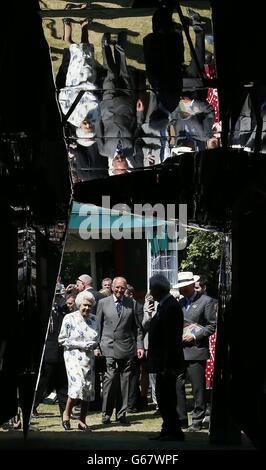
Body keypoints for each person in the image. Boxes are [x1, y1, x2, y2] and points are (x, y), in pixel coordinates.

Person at [96, 277, 144, 425]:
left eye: (122, 288)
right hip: (108, 347)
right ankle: (106, 414)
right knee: (109, 381)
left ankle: (122, 414)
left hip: (126, 348)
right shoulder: (103, 303)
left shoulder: (132, 304)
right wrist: (96, 346)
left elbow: (138, 328)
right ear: (112, 287)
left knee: (125, 382)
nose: (119, 290)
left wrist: (140, 346)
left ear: (125, 289)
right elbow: (97, 327)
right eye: (117, 287)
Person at [174, 272, 217, 431]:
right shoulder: (179, 303)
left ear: (192, 285)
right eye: (180, 287)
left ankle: (197, 420)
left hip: (196, 351)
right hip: (180, 351)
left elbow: (212, 326)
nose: (182, 290)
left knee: (198, 388)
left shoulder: (206, 301)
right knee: (178, 386)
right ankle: (181, 419)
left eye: (184, 287)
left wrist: (194, 336)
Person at [145, 274, 185, 441]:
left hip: (166, 363)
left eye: (152, 288)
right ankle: (168, 428)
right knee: (163, 398)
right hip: (162, 361)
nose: (150, 292)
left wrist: (166, 366)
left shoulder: (170, 306)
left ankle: (173, 431)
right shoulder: (164, 305)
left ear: (157, 290)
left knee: (167, 398)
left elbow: (170, 339)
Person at [58, 291, 99, 431]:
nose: (87, 308)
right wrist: (80, 344)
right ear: (78, 304)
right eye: (84, 305)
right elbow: (62, 339)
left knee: (87, 388)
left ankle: (82, 420)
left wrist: (93, 344)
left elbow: (97, 338)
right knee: (77, 386)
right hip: (72, 356)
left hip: (89, 357)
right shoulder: (69, 318)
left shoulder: (94, 319)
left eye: (90, 306)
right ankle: (66, 414)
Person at [143, 6, 184, 113]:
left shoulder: (170, 102)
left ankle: (166, 10)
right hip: (162, 50)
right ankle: (165, 10)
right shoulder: (164, 99)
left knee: (163, 23)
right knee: (161, 22)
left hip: (170, 52)